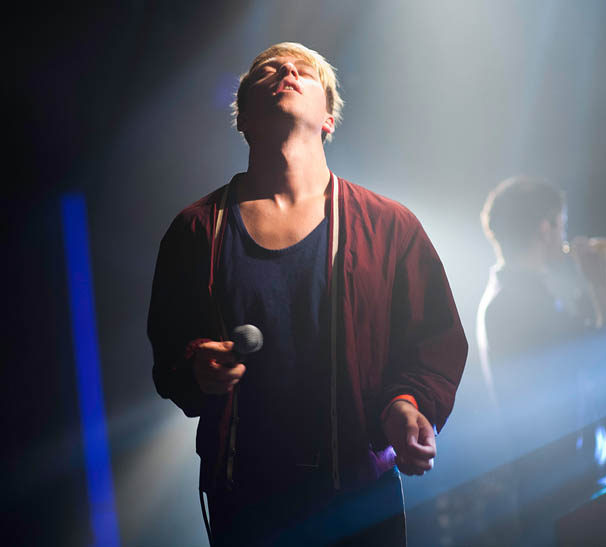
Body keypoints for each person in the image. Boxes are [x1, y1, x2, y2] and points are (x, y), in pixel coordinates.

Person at [148, 42, 467, 546]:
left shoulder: (389, 225)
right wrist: (196, 368)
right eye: (268, 70)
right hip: (246, 500)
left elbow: (434, 341)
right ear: (244, 119)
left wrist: (409, 403)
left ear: (328, 119)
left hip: (359, 495)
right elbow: (168, 352)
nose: (287, 70)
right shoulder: (195, 230)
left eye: (305, 70)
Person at [476, 177, 606, 511]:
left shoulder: (510, 298)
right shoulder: (520, 302)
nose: (564, 234)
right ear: (544, 228)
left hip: (559, 488)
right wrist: (601, 284)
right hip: (572, 493)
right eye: (561, 224)